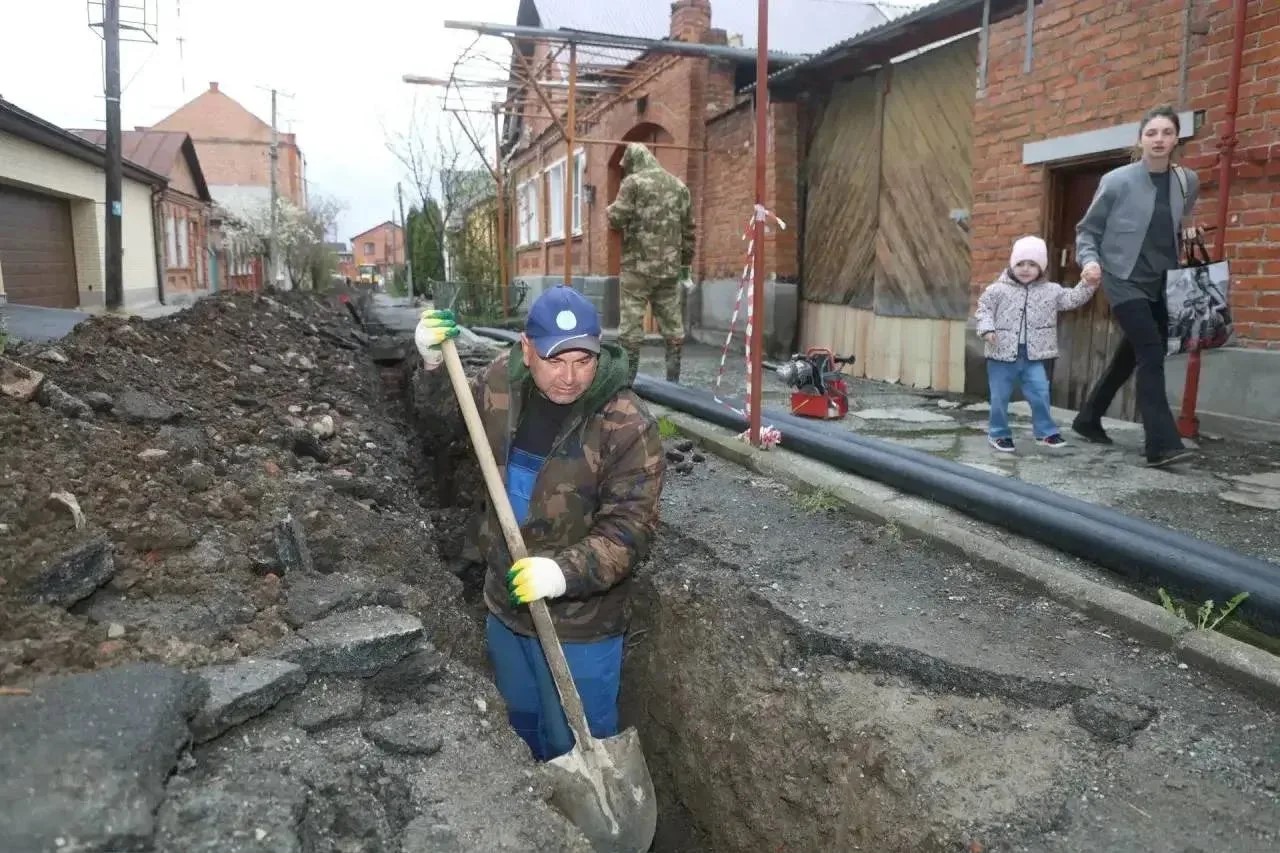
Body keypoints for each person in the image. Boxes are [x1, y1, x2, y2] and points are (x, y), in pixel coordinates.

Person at [414, 285, 666, 762]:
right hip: (505, 605)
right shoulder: (500, 384)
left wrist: (560, 574)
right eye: (555, 360)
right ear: (527, 350)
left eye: (583, 360)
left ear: (599, 351)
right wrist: (431, 365)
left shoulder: (627, 425)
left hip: (582, 624)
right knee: (519, 729)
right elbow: (443, 423)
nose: (570, 377)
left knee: (573, 743)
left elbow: (631, 530)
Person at [1073, 104, 1201, 467]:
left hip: (1163, 282)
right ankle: (1160, 444)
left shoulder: (1186, 181)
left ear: (1176, 139)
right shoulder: (1117, 181)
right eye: (1151, 133)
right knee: (1150, 352)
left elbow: (1178, 221)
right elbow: (1088, 230)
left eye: (1167, 133)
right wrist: (1090, 261)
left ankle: (1088, 418)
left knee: (1129, 354)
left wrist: (1188, 233)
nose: (1159, 139)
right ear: (1140, 139)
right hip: (1122, 277)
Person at [975, 235, 1098, 453]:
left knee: (1040, 393)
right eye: (1020, 264)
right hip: (1000, 354)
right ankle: (998, 434)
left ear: (1041, 267)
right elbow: (983, 309)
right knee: (999, 397)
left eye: (1032, 264)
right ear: (1012, 265)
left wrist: (1088, 284)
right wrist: (987, 329)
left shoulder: (1051, 291)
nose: (1025, 269)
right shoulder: (997, 290)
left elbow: (1072, 299)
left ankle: (1045, 432)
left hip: (1033, 356)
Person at [607, 142, 696, 385]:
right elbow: (689, 231)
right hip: (669, 269)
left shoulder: (633, 183)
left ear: (633, 162)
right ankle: (673, 383)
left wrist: (609, 210)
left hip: (637, 268)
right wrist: (684, 265)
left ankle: (626, 383)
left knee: (630, 328)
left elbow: (617, 218)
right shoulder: (679, 187)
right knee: (673, 328)